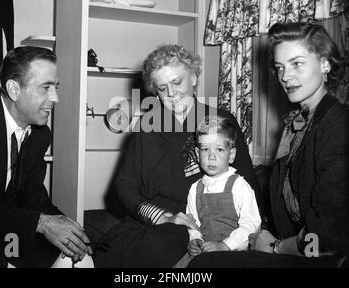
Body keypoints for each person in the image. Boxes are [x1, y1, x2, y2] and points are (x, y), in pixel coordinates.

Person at [189, 22, 349, 268]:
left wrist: (276, 248)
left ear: (325, 64)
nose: (286, 77)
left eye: (297, 64)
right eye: (280, 67)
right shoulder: (298, 124)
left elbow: (328, 237)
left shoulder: (337, 125)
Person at [90, 44, 263, 267]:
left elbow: (248, 185)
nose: (171, 94)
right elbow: (124, 186)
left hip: (208, 225)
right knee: (110, 251)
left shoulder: (221, 121)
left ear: (193, 78)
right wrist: (161, 217)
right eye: (162, 88)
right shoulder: (147, 127)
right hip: (155, 222)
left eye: (177, 82)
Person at [0, 46, 93, 268]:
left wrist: (68, 228)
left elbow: (32, 196)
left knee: (78, 260)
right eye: (46, 88)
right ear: (13, 89)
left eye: (56, 87)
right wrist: (41, 223)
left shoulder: (41, 134)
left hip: (6, 231)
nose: (56, 98)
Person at [174, 115, 261, 268]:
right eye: (205, 149)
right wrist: (195, 240)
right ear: (197, 153)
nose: (211, 157)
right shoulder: (195, 189)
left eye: (219, 149)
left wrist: (225, 245)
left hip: (236, 251)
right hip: (206, 251)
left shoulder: (240, 186)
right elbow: (192, 223)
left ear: (231, 155)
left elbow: (251, 225)